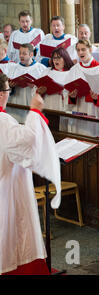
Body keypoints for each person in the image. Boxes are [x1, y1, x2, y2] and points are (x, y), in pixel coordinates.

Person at [0, 75, 52, 275]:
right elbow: (30, 144)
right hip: (7, 187)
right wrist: (36, 112)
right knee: (15, 236)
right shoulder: (3, 121)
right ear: (1, 95)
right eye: (7, 91)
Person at [65, 39, 99, 137]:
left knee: (91, 137)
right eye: (78, 50)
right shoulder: (74, 69)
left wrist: (97, 98)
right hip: (78, 107)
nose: (80, 52)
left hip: (93, 109)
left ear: (90, 50)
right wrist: (71, 96)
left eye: (83, 49)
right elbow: (66, 90)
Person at [37, 47, 74, 112]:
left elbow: (74, 93)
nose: (56, 60)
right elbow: (36, 89)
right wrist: (39, 92)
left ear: (65, 58)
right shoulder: (47, 71)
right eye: (54, 58)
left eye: (59, 57)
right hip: (47, 105)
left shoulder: (71, 73)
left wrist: (62, 92)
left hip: (61, 107)